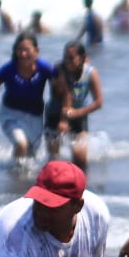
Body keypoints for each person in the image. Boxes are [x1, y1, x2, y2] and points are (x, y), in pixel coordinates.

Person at [0, 31, 64, 160]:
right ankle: (15, 175)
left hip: (35, 116)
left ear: (37, 51)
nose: (22, 54)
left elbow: (63, 89)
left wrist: (64, 117)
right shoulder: (9, 69)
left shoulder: (45, 68)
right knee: (21, 145)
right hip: (10, 114)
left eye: (26, 50)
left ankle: (24, 177)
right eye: (19, 50)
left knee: (31, 155)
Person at [44, 41, 103, 169]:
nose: (67, 61)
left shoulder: (90, 73)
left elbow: (98, 102)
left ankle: (81, 186)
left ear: (82, 58)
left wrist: (77, 113)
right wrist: (63, 120)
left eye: (71, 58)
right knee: (54, 160)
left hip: (79, 117)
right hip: (55, 115)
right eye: (65, 57)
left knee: (80, 158)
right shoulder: (58, 70)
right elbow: (66, 94)